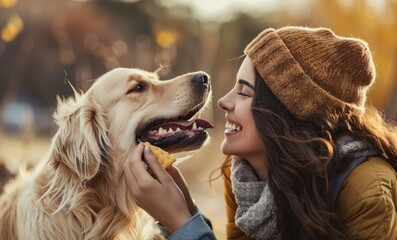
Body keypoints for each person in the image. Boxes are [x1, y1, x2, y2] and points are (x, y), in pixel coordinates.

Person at [123, 26, 397, 240]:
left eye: (244, 92)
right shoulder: (244, 174)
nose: (223, 101)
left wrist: (181, 224)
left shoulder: (366, 191)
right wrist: (188, 210)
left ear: (286, 114)